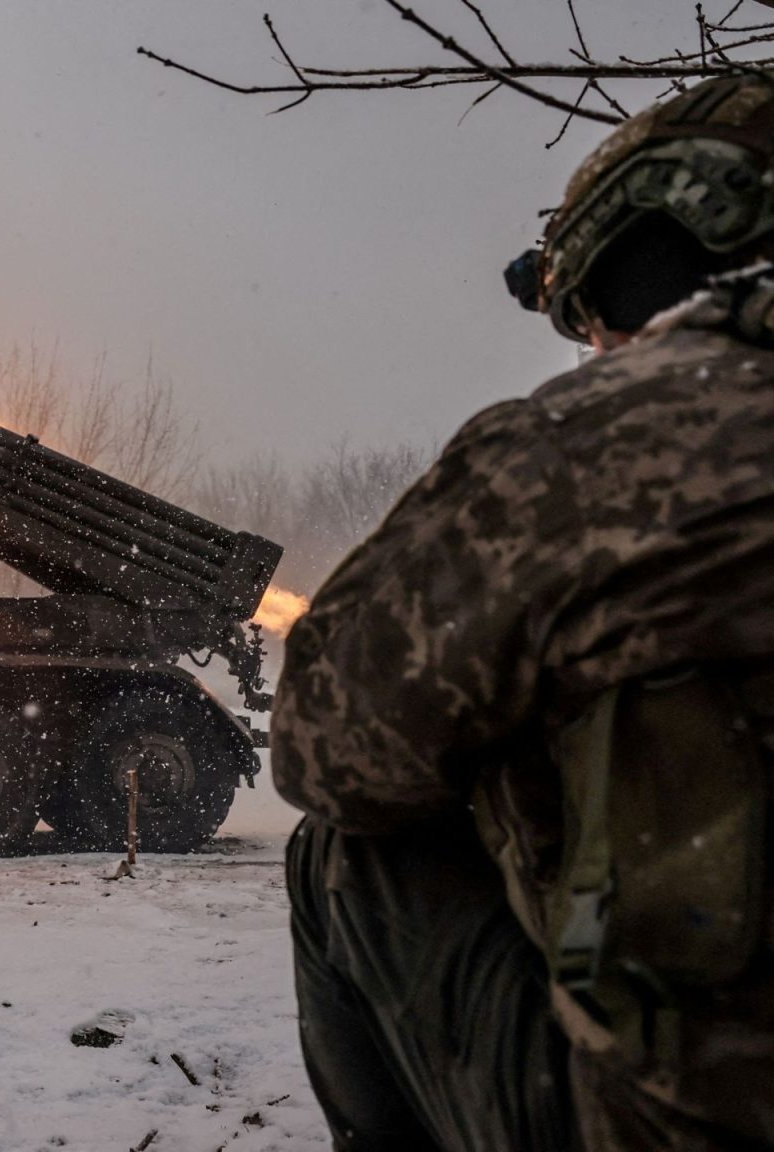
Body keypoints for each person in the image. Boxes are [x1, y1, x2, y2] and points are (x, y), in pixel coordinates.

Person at [271, 74, 774, 1151]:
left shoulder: (583, 451)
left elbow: (326, 744)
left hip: (692, 1126)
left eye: (589, 319)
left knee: (347, 853)